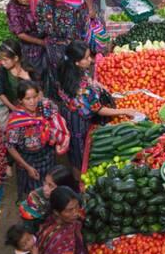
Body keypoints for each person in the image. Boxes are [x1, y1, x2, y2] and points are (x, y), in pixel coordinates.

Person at [57, 40, 143, 179]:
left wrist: (98, 85)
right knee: (79, 153)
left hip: (69, 112)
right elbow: (98, 109)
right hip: (78, 120)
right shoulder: (81, 87)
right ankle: (80, 182)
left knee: (74, 150)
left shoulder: (67, 70)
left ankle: (77, 170)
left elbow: (88, 80)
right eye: (86, 58)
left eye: (89, 55)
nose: (90, 60)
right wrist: (125, 111)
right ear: (76, 62)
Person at [5, 80, 70, 200]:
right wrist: (27, 167)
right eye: (27, 98)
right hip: (29, 161)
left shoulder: (44, 107)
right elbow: (10, 147)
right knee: (36, 190)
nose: (32, 102)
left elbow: (56, 115)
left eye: (35, 97)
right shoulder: (17, 121)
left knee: (50, 184)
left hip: (47, 154)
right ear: (20, 100)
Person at [34, 186, 106, 254]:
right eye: (69, 210)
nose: (76, 212)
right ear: (56, 212)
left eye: (77, 207)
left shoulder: (69, 221)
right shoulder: (58, 240)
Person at [36, 0, 88, 94]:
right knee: (67, 76)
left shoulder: (42, 5)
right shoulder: (69, 10)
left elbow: (40, 29)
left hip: (49, 48)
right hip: (66, 49)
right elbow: (74, 35)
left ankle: (55, 94)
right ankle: (67, 98)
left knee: (54, 75)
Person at [19, 164, 79, 234]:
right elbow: (29, 228)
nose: (45, 188)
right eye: (45, 182)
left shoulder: (73, 198)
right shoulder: (35, 200)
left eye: (51, 186)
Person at [6, 0, 47, 76]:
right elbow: (20, 34)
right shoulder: (13, 7)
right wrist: (41, 42)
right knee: (37, 70)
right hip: (29, 43)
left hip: (46, 35)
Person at [0, 40, 38, 112]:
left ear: (16, 58)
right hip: (16, 107)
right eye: (1, 59)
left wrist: (28, 79)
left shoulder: (28, 70)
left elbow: (39, 93)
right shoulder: (3, 72)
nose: (2, 63)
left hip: (33, 107)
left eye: (5, 60)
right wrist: (13, 108)